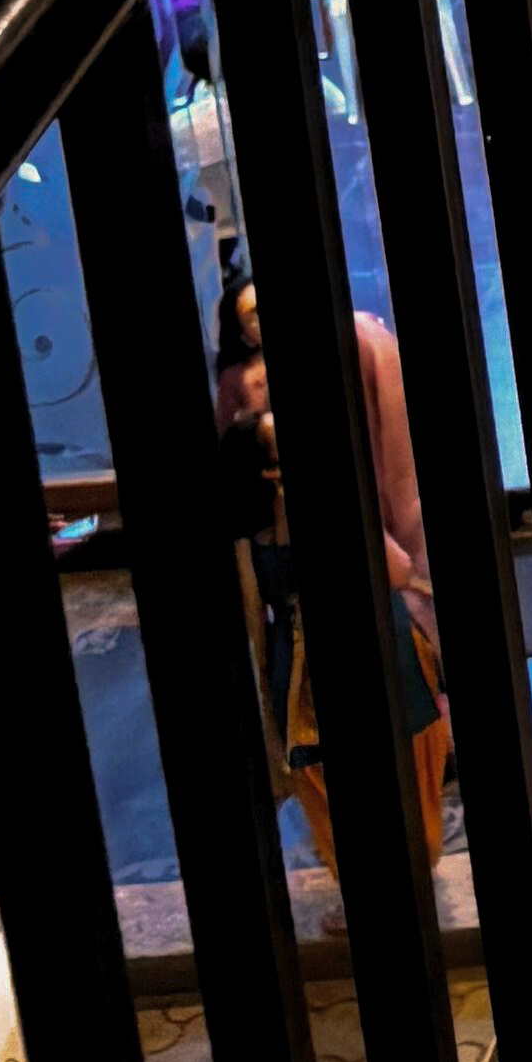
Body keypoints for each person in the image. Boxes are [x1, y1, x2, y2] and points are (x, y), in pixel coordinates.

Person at [215, 266, 451, 891]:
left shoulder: (355, 344)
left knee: (411, 741)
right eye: (248, 317)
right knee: (322, 767)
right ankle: (368, 879)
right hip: (304, 658)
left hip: (377, 622)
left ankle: (411, 863)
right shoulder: (243, 393)